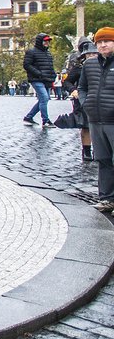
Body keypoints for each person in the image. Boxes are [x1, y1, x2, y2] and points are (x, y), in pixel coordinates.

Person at [73, 27, 114, 212]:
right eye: (99, 42)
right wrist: (86, 103)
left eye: (107, 41)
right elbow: (82, 87)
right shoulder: (89, 65)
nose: (103, 45)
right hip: (96, 119)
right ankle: (107, 198)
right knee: (103, 160)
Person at [64, 40, 99, 161]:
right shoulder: (78, 68)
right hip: (83, 99)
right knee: (86, 126)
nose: (92, 56)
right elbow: (67, 82)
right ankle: (87, 151)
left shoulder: (104, 65)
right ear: (84, 56)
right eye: (89, 54)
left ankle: (100, 150)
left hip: (100, 99)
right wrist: (73, 90)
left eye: (94, 54)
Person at [23, 33, 57, 128]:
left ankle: (29, 117)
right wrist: (38, 73)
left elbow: (50, 66)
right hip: (36, 79)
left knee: (43, 99)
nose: (47, 43)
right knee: (44, 98)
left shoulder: (48, 53)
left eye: (48, 41)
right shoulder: (31, 52)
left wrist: (53, 75)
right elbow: (27, 65)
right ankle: (45, 120)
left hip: (46, 79)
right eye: (45, 41)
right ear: (40, 42)